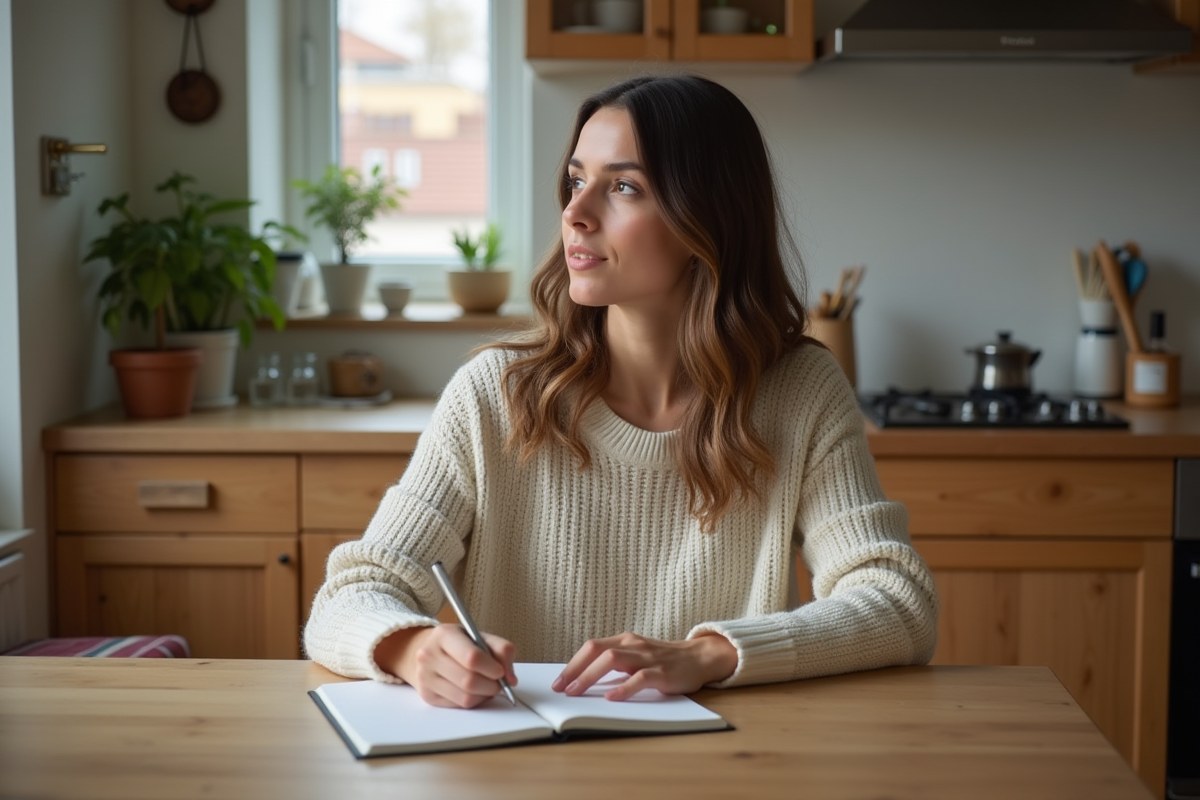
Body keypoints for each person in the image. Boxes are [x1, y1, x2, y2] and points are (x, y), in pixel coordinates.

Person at [303, 74, 938, 709]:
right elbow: (351, 595)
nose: (576, 213)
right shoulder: (494, 394)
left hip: (727, 766)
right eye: (577, 181)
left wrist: (709, 655)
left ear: (707, 219)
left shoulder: (800, 391)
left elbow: (897, 600)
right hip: (521, 764)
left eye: (624, 187)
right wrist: (411, 649)